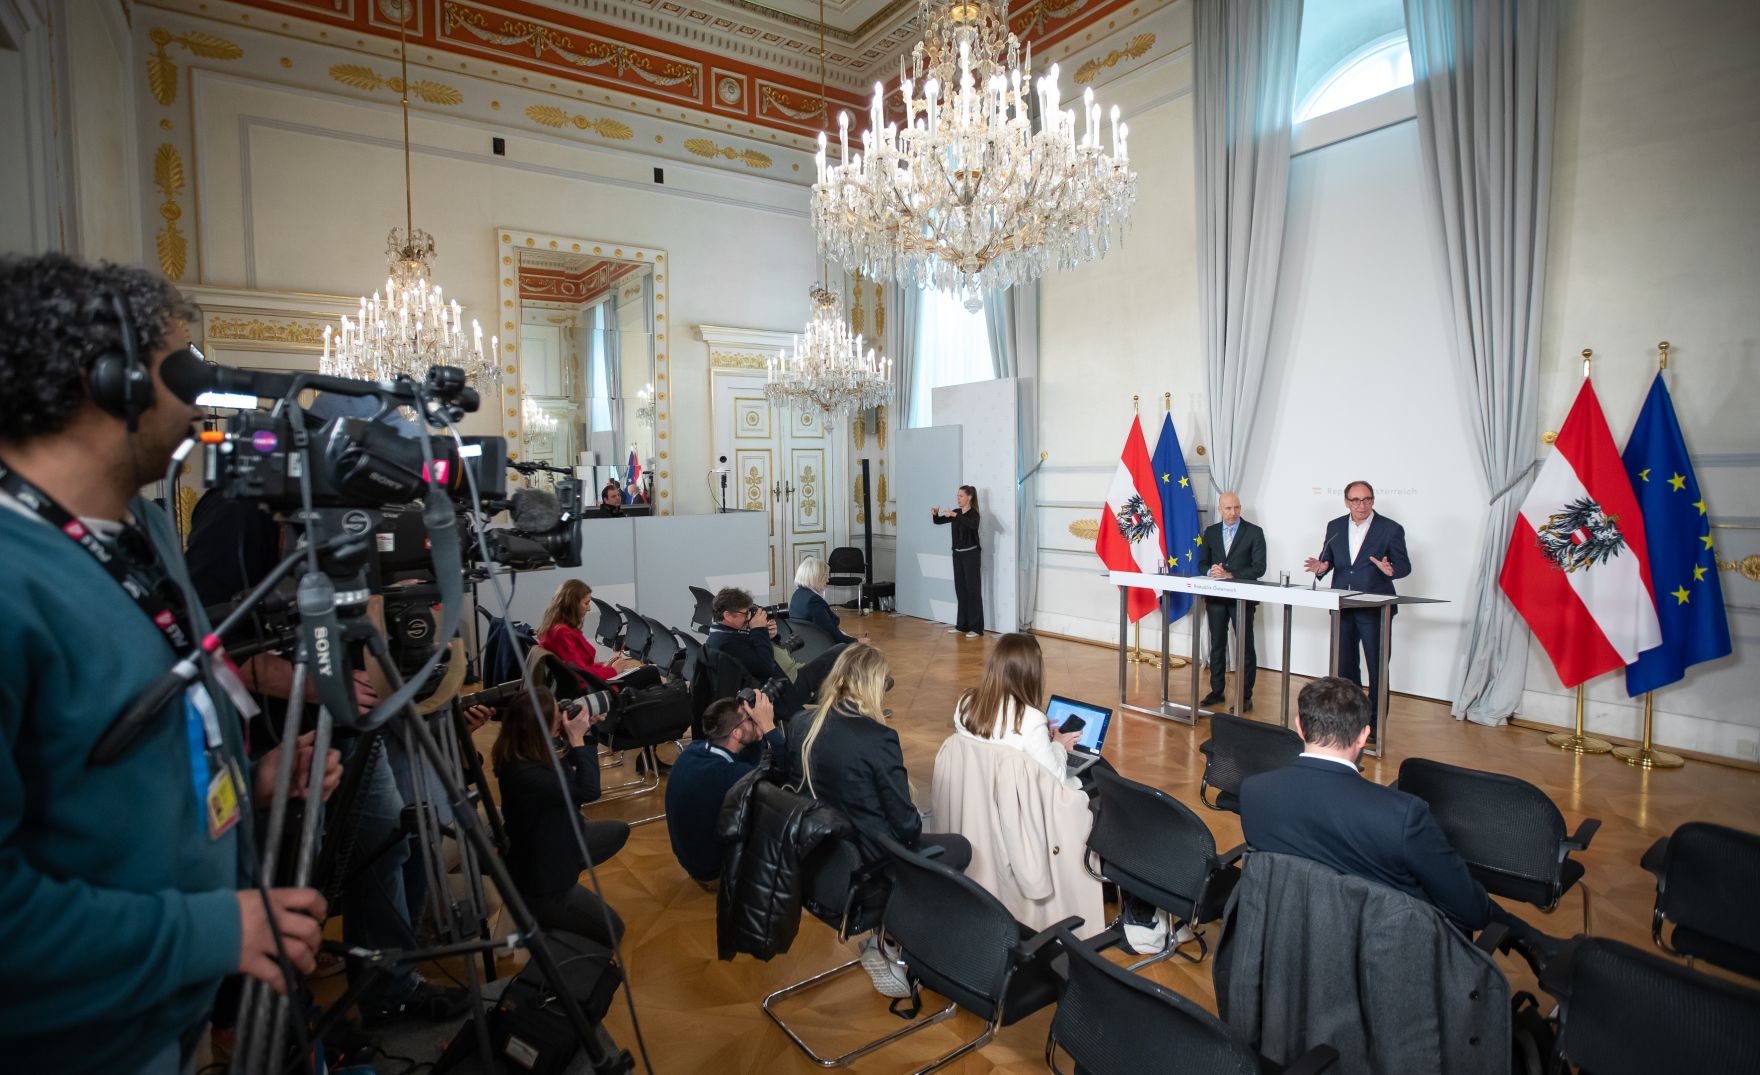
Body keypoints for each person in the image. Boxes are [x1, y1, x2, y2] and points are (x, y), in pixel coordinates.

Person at [0, 254, 333, 1072]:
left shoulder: (143, 533)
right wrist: (213, 929)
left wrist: (249, 782)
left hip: (162, 1019)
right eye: (182, 367)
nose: (201, 395)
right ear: (107, 377)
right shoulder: (14, 580)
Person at [1239, 677, 1556, 972]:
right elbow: (1469, 910)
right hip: (1390, 960)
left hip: (1295, 945)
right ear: (1364, 735)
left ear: (1299, 726)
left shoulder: (1254, 792)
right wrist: (1516, 929)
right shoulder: (1402, 815)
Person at [492, 686, 629, 950]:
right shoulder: (527, 774)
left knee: (618, 831)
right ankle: (543, 917)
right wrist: (576, 738)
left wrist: (584, 732)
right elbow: (588, 791)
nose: (563, 717)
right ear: (539, 728)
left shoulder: (524, 751)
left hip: (557, 839)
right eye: (556, 716)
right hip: (543, 879)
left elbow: (572, 779)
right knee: (614, 931)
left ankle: (566, 884)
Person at [1303, 481, 1410, 736]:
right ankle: (1348, 721)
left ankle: (1374, 727)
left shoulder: (1390, 528)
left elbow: (1404, 565)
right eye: (1356, 500)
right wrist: (1322, 568)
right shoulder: (1335, 526)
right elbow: (1327, 560)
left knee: (1377, 669)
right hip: (1342, 606)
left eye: (1367, 499)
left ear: (1372, 500)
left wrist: (1391, 569)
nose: (1362, 505)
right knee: (1344, 670)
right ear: (1346, 502)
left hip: (1375, 609)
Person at [665, 692, 781, 885]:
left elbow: (747, 764)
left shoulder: (693, 751)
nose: (755, 719)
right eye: (750, 719)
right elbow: (784, 777)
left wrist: (755, 733)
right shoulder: (729, 774)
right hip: (714, 871)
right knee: (780, 818)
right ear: (736, 733)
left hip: (692, 861)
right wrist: (768, 727)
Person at [952, 633, 1081, 791]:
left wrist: (1042, 736)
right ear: (1032, 674)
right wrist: (1059, 744)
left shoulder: (966, 701)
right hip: (1013, 799)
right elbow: (1056, 782)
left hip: (972, 792)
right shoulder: (1032, 720)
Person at [1197, 491, 1268, 712]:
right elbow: (1201, 562)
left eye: (1236, 507)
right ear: (1220, 509)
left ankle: (1245, 697)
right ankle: (1216, 692)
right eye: (1228, 508)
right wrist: (1210, 571)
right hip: (1216, 598)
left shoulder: (1254, 532)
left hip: (1242, 598)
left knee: (1245, 647)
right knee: (1217, 645)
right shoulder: (1211, 532)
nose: (1233, 512)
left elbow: (1259, 568)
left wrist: (1230, 574)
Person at [536, 578, 661, 691]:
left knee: (646, 671)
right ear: (572, 604)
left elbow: (581, 666)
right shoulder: (561, 633)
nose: (589, 608)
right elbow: (580, 674)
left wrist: (604, 666)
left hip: (588, 683)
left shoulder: (554, 628)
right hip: (592, 687)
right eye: (586, 603)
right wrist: (613, 670)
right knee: (651, 672)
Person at [930, 484, 983, 636]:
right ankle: (962, 625)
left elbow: (973, 525)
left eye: (961, 496)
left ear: (969, 497)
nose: (958, 499)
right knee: (961, 590)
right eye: (957, 496)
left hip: (971, 555)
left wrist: (955, 516)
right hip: (958, 555)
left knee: (973, 591)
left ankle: (976, 628)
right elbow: (938, 521)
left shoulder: (974, 514)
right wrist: (935, 514)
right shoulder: (956, 512)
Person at [787, 556, 868, 646]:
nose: (827, 580)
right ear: (816, 577)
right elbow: (831, 634)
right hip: (819, 645)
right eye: (825, 576)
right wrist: (856, 641)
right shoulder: (814, 601)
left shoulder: (797, 594)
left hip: (805, 642)